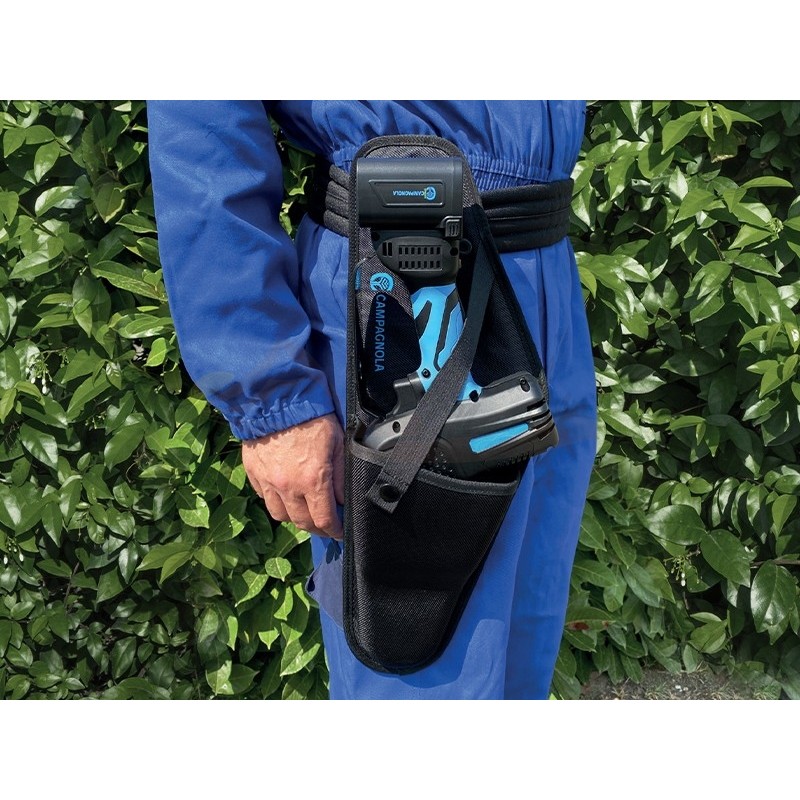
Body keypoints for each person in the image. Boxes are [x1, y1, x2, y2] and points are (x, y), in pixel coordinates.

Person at [146, 101, 597, 699]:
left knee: (523, 645)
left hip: (541, 266)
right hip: (401, 280)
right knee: (416, 655)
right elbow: (203, 130)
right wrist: (271, 397)